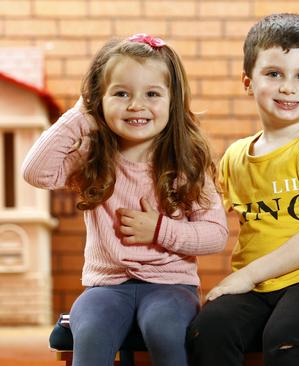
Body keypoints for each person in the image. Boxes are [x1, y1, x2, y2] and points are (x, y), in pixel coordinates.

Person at [22, 34, 229, 366]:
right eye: (121, 94)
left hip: (171, 286)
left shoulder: (186, 162)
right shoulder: (93, 156)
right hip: (105, 287)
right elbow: (35, 173)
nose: (136, 105)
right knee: (89, 330)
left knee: (163, 329)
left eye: (152, 94)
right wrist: (80, 116)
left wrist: (161, 230)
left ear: (172, 101)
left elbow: (216, 234)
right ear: (98, 101)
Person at [186, 13, 299, 366]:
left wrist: (246, 276)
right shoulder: (234, 156)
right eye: (274, 73)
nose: (287, 87)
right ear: (248, 82)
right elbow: (205, 219)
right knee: (209, 329)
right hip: (257, 287)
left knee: (286, 337)